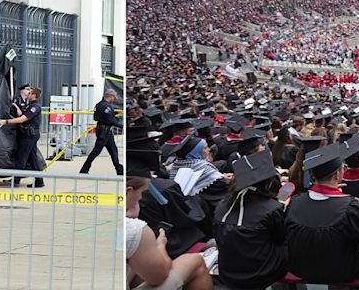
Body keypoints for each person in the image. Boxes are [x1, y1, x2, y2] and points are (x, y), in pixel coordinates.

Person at [126, 155, 213, 290]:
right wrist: (160, 246)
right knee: (195, 261)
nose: (141, 198)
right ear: (128, 191)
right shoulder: (134, 228)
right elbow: (158, 277)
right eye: (142, 192)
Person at [285, 143, 359, 284]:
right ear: (337, 175)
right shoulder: (350, 206)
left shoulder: (295, 202)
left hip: (300, 268)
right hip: (341, 271)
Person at [213, 150, 287, 289]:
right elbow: (280, 238)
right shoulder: (272, 209)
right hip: (260, 274)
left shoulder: (222, 205)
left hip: (228, 273)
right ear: (267, 185)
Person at [0, 87, 45, 187]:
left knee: (21, 157)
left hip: (29, 135)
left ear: (34, 96)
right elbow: (23, 115)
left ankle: (16, 181)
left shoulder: (35, 107)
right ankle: (39, 181)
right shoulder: (31, 105)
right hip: (29, 134)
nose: (28, 93)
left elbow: (22, 119)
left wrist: (6, 122)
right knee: (33, 159)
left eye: (30, 92)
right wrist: (16, 108)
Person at [79, 89, 123, 175]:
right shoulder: (106, 106)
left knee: (113, 150)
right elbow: (110, 119)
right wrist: (121, 125)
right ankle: (84, 169)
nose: (113, 99)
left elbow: (96, 117)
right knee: (96, 151)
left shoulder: (99, 105)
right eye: (113, 97)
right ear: (110, 96)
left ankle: (119, 170)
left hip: (105, 130)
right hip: (104, 131)